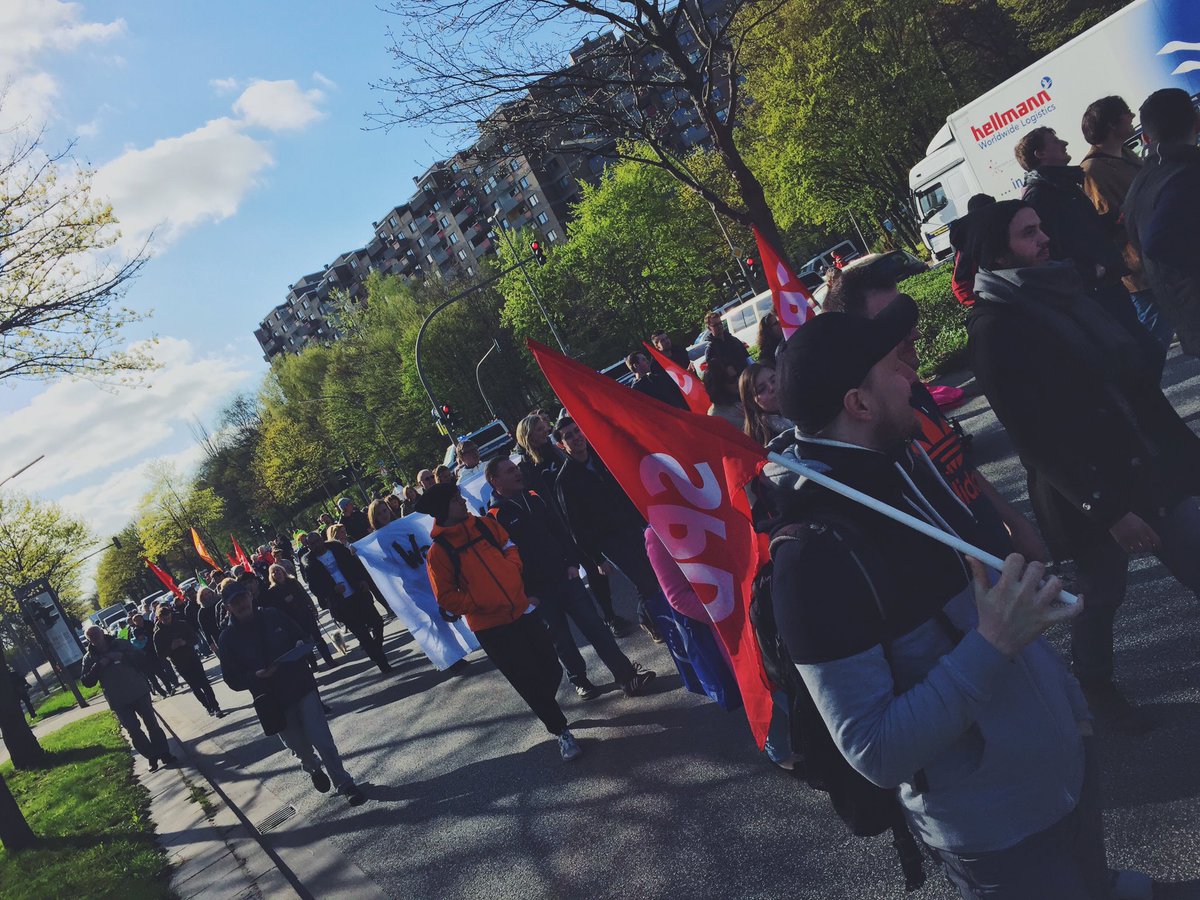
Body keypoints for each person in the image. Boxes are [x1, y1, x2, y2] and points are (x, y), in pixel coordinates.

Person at [756, 296, 1131, 899]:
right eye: (894, 368)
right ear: (858, 403)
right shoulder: (812, 557)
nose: (913, 374)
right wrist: (995, 643)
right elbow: (874, 750)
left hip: (1058, 765)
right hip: (996, 831)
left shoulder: (901, 461)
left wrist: (1063, 696)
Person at [969, 199, 1200, 733]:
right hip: (1088, 494)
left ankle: (1094, 687)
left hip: (1144, 465)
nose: (1044, 238)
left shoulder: (1060, 288)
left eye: (1041, 225)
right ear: (1001, 252)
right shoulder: (994, 328)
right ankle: (1095, 688)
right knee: (1100, 597)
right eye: (1029, 234)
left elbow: (1127, 376)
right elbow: (1036, 440)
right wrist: (1110, 511)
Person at [824, 255, 1048, 563]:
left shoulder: (911, 389)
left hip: (999, 551)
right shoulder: (873, 425)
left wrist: (1013, 521)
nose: (913, 333)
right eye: (894, 325)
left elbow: (956, 463)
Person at [419, 483, 583, 761]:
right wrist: (481, 601)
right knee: (526, 678)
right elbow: (446, 597)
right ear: (443, 509)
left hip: (522, 611)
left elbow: (510, 547)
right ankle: (561, 731)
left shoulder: (484, 525)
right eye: (456, 500)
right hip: (491, 627)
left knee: (551, 667)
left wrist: (511, 571)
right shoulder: (439, 552)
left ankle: (545, 706)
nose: (463, 502)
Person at [486, 458, 654, 700]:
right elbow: (502, 563)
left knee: (596, 627)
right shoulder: (495, 517)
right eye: (510, 471)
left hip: (566, 578)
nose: (517, 473)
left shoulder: (534, 497)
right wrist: (525, 593)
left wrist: (573, 563)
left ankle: (627, 676)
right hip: (538, 593)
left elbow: (560, 531)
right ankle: (580, 680)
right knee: (562, 640)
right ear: (495, 480)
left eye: (516, 469)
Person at [1015, 126, 1165, 374]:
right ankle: (1139, 408)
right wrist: (1089, 271)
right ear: (1040, 153)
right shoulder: (1040, 195)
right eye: (1055, 141)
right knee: (1141, 354)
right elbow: (1046, 250)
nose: (1064, 143)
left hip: (1107, 281)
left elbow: (1085, 229)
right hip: (1094, 289)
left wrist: (1114, 218)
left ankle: (1145, 408)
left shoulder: (1063, 184)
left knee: (1141, 354)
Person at [217, 581, 366, 805]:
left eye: (243, 598)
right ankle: (313, 767)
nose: (241, 605)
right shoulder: (227, 639)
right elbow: (231, 679)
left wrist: (300, 644)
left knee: (322, 740)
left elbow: (303, 637)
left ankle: (345, 783)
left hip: (301, 685)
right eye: (234, 603)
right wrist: (254, 677)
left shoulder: (273, 615)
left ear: (250, 596)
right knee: (299, 747)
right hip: (273, 702)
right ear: (228, 608)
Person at [514, 413, 631, 637]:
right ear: (528, 435)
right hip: (557, 528)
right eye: (539, 430)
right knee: (577, 578)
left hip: (578, 520)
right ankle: (599, 623)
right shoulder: (527, 468)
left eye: (544, 427)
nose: (545, 432)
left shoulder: (558, 452)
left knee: (596, 570)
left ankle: (609, 616)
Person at [553, 416, 664, 643]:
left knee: (656, 573)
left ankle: (648, 616)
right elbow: (576, 526)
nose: (576, 438)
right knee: (643, 580)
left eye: (577, 431)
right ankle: (656, 621)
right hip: (609, 541)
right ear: (561, 445)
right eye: (569, 436)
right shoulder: (565, 480)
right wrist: (596, 559)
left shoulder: (604, 457)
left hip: (635, 526)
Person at [1079, 95, 1174, 353]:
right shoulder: (1092, 170)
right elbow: (1108, 220)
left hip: (1160, 256)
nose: (1133, 117)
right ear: (1112, 124)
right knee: (1153, 339)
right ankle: (1142, 390)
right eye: (1127, 113)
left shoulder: (1126, 154)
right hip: (1139, 267)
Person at [1124, 87, 1200, 357]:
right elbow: (1159, 242)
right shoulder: (1185, 174)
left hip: (1183, 306)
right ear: (1197, 122)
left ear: (1144, 136)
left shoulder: (1143, 180)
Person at [81, 625, 176, 771]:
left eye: (96, 633)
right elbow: (87, 681)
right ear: (89, 639)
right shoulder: (89, 657)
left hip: (138, 690)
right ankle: (151, 755)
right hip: (118, 700)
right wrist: (99, 665)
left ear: (102, 632)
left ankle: (164, 753)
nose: (95, 637)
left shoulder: (120, 643)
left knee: (152, 724)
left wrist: (123, 657)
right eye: (91, 636)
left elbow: (142, 659)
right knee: (134, 731)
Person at [303, 531, 393, 672]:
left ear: (322, 539)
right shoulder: (310, 565)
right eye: (312, 543)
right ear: (308, 546)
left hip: (358, 593)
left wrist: (362, 580)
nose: (316, 545)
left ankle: (375, 649)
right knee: (362, 635)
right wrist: (332, 590)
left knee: (377, 622)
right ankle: (382, 663)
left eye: (318, 541)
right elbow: (315, 588)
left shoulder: (337, 549)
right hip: (342, 604)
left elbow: (356, 565)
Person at [153, 603, 225, 718]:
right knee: (195, 687)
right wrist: (171, 647)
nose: (167, 619)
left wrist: (185, 642)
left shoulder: (181, 624)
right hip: (179, 663)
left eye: (168, 616)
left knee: (205, 684)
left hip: (192, 657)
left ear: (171, 614)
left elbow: (195, 639)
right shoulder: (158, 634)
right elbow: (160, 654)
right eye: (164, 618)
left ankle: (216, 707)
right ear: (159, 618)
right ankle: (207, 706)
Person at [263, 563, 336, 668]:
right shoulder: (273, 591)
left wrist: (313, 608)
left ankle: (329, 660)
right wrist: (285, 601)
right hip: (292, 620)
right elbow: (276, 608)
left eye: (277, 570)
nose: (276, 573)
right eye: (273, 572)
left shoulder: (293, 582)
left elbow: (305, 595)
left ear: (283, 571)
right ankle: (313, 664)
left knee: (317, 637)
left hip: (305, 613)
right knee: (303, 642)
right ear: (271, 576)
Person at [948, 193, 995, 307]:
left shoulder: (985, 233)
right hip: (981, 298)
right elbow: (960, 285)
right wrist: (983, 303)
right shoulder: (969, 243)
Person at [738, 363, 794, 446]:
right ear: (752, 402)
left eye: (774, 380)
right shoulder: (760, 440)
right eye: (762, 389)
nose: (771, 387)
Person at [703, 362, 744, 428]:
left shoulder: (743, 396)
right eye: (731, 380)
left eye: (737, 376)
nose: (738, 380)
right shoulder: (716, 416)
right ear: (719, 386)